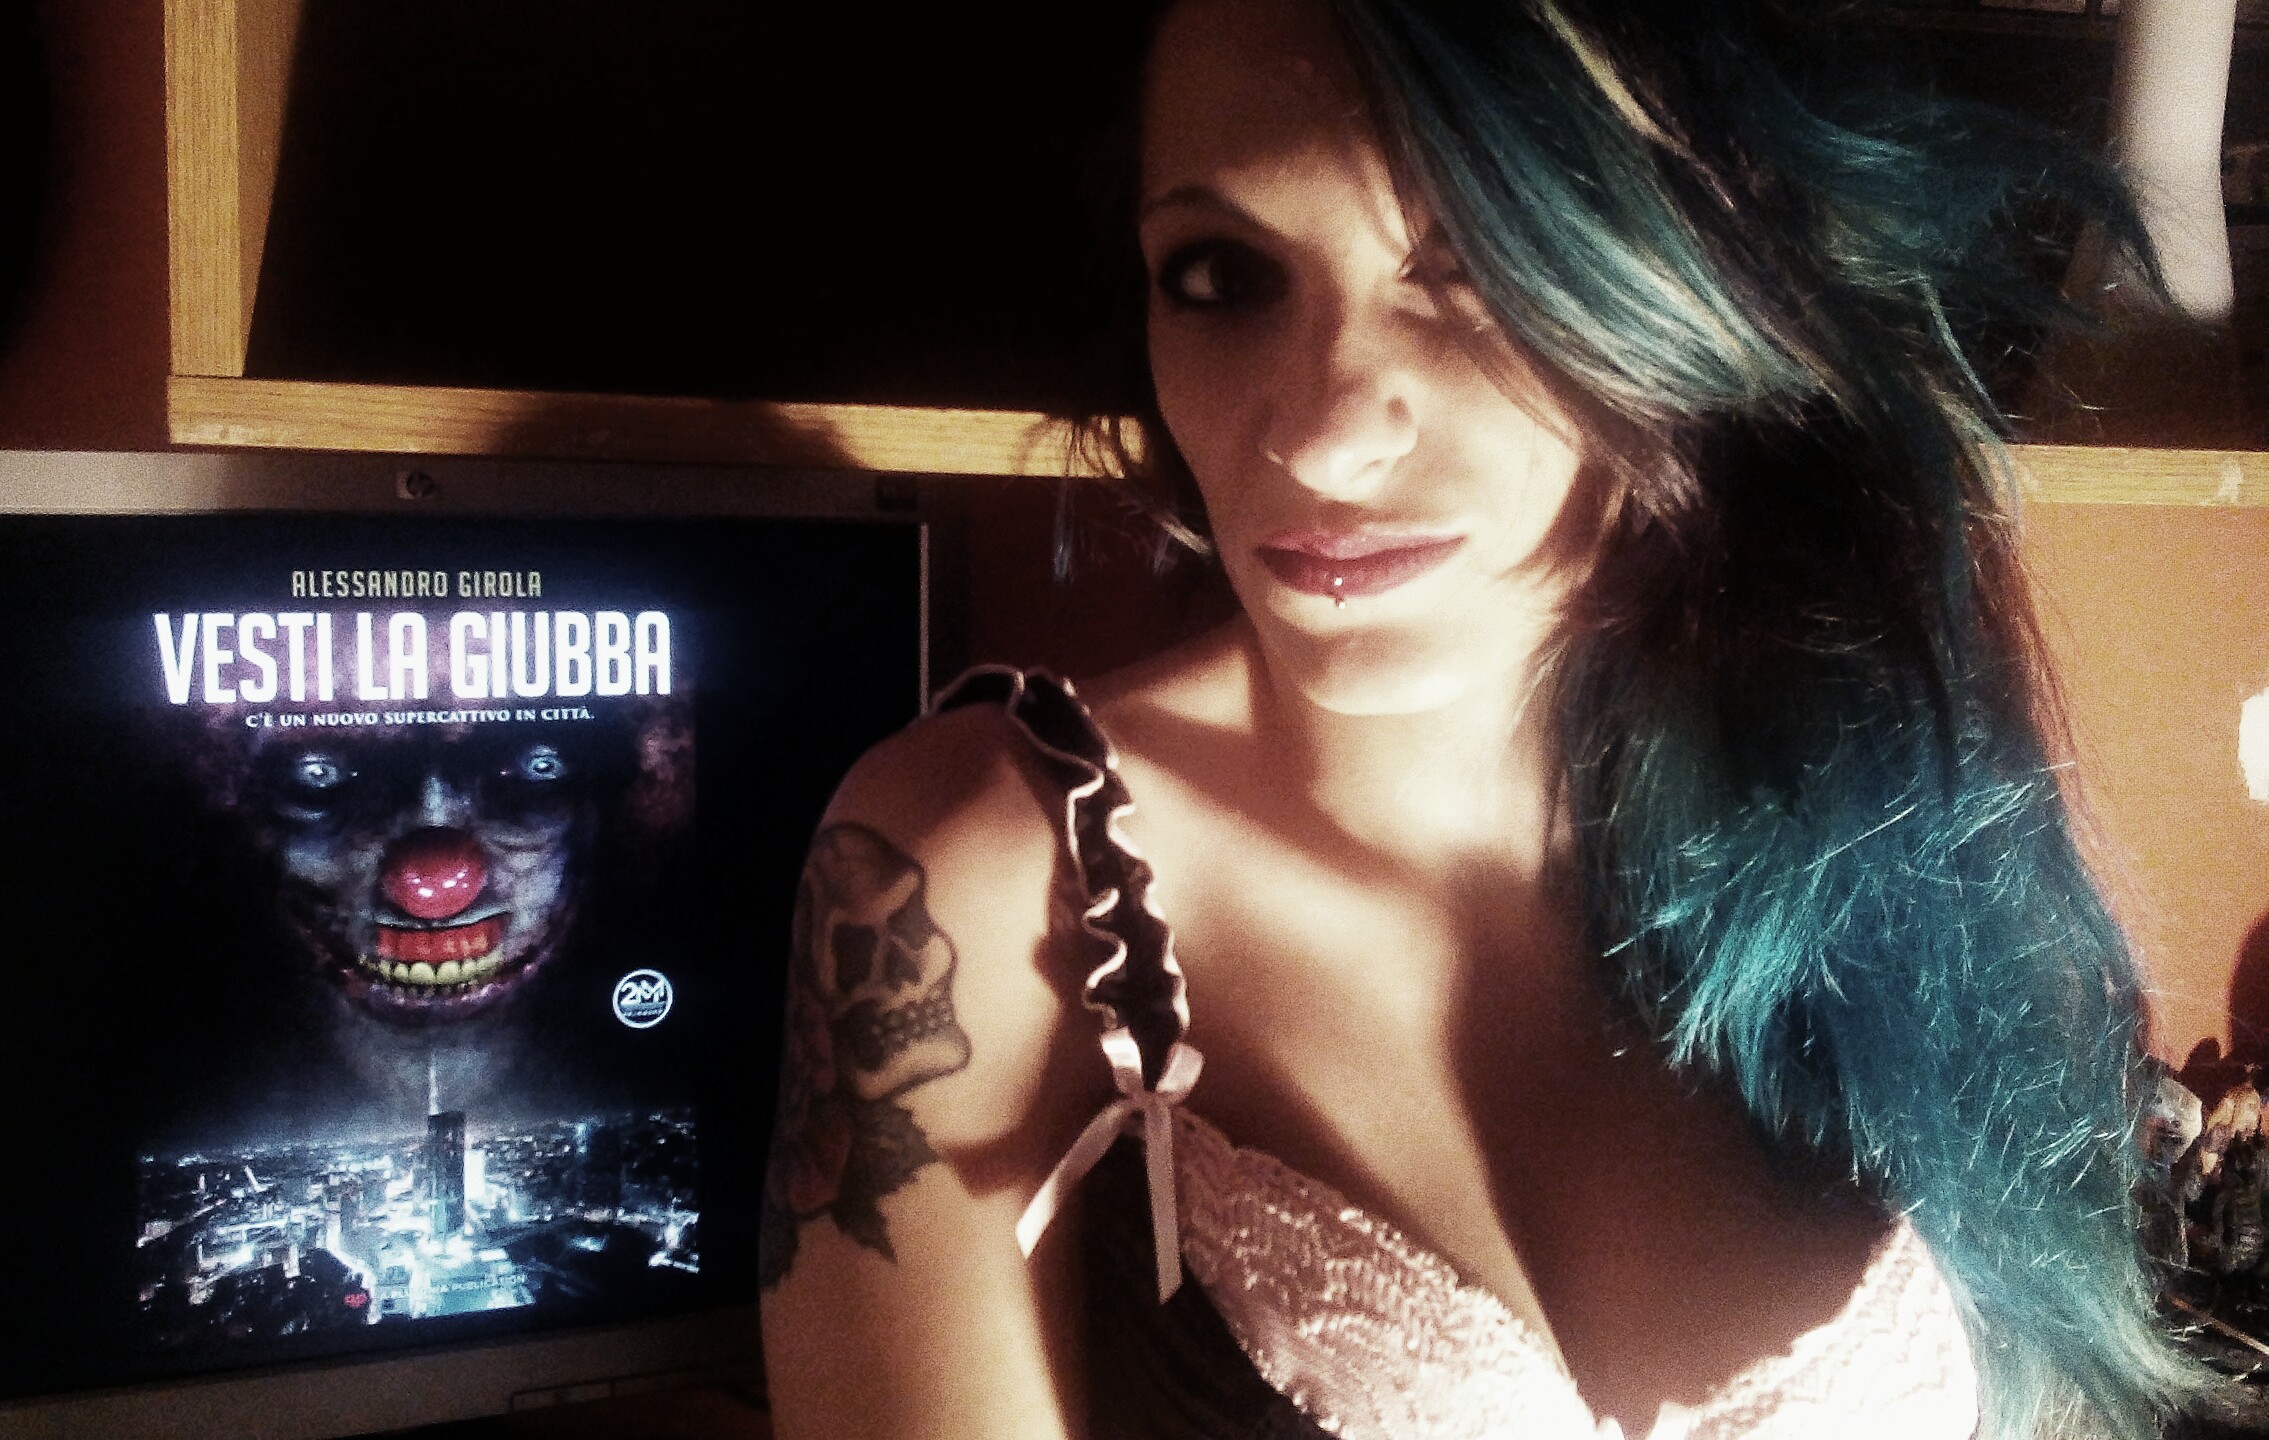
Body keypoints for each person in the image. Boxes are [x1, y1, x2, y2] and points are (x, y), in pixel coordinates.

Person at [758, 1, 2240, 1437]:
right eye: (1221, 275)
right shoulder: (976, 879)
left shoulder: (1881, 800)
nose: (1322, 436)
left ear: (1692, 276)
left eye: (1471, 264)